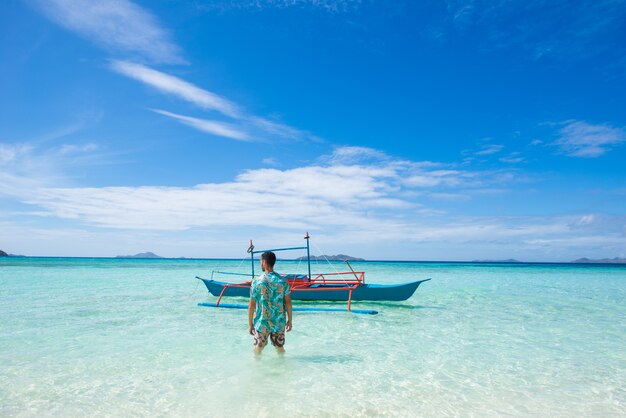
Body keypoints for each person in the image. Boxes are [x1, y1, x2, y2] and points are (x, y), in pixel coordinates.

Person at [248, 251, 293, 355]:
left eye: (260, 261)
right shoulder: (283, 281)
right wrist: (290, 320)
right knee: (280, 349)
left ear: (264, 262)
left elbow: (251, 305)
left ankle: (256, 370)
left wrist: (250, 324)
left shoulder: (256, 281)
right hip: (278, 322)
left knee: (258, 350)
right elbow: (288, 303)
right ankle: (284, 368)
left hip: (262, 322)